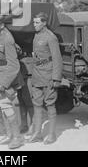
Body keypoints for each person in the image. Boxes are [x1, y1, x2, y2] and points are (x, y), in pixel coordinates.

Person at [27, 12, 63, 145]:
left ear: (44, 23)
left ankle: (52, 135)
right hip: (37, 75)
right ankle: (37, 133)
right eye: (34, 22)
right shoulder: (37, 35)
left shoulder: (51, 37)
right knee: (36, 104)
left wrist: (56, 78)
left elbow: (57, 58)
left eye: (37, 22)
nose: (34, 25)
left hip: (48, 76)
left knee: (50, 104)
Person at [0, 15, 24, 149]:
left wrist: (4, 84)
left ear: (2, 25)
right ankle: (10, 135)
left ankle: (17, 138)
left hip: (7, 78)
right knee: (3, 105)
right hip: (0, 74)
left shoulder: (7, 38)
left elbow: (14, 65)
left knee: (7, 105)